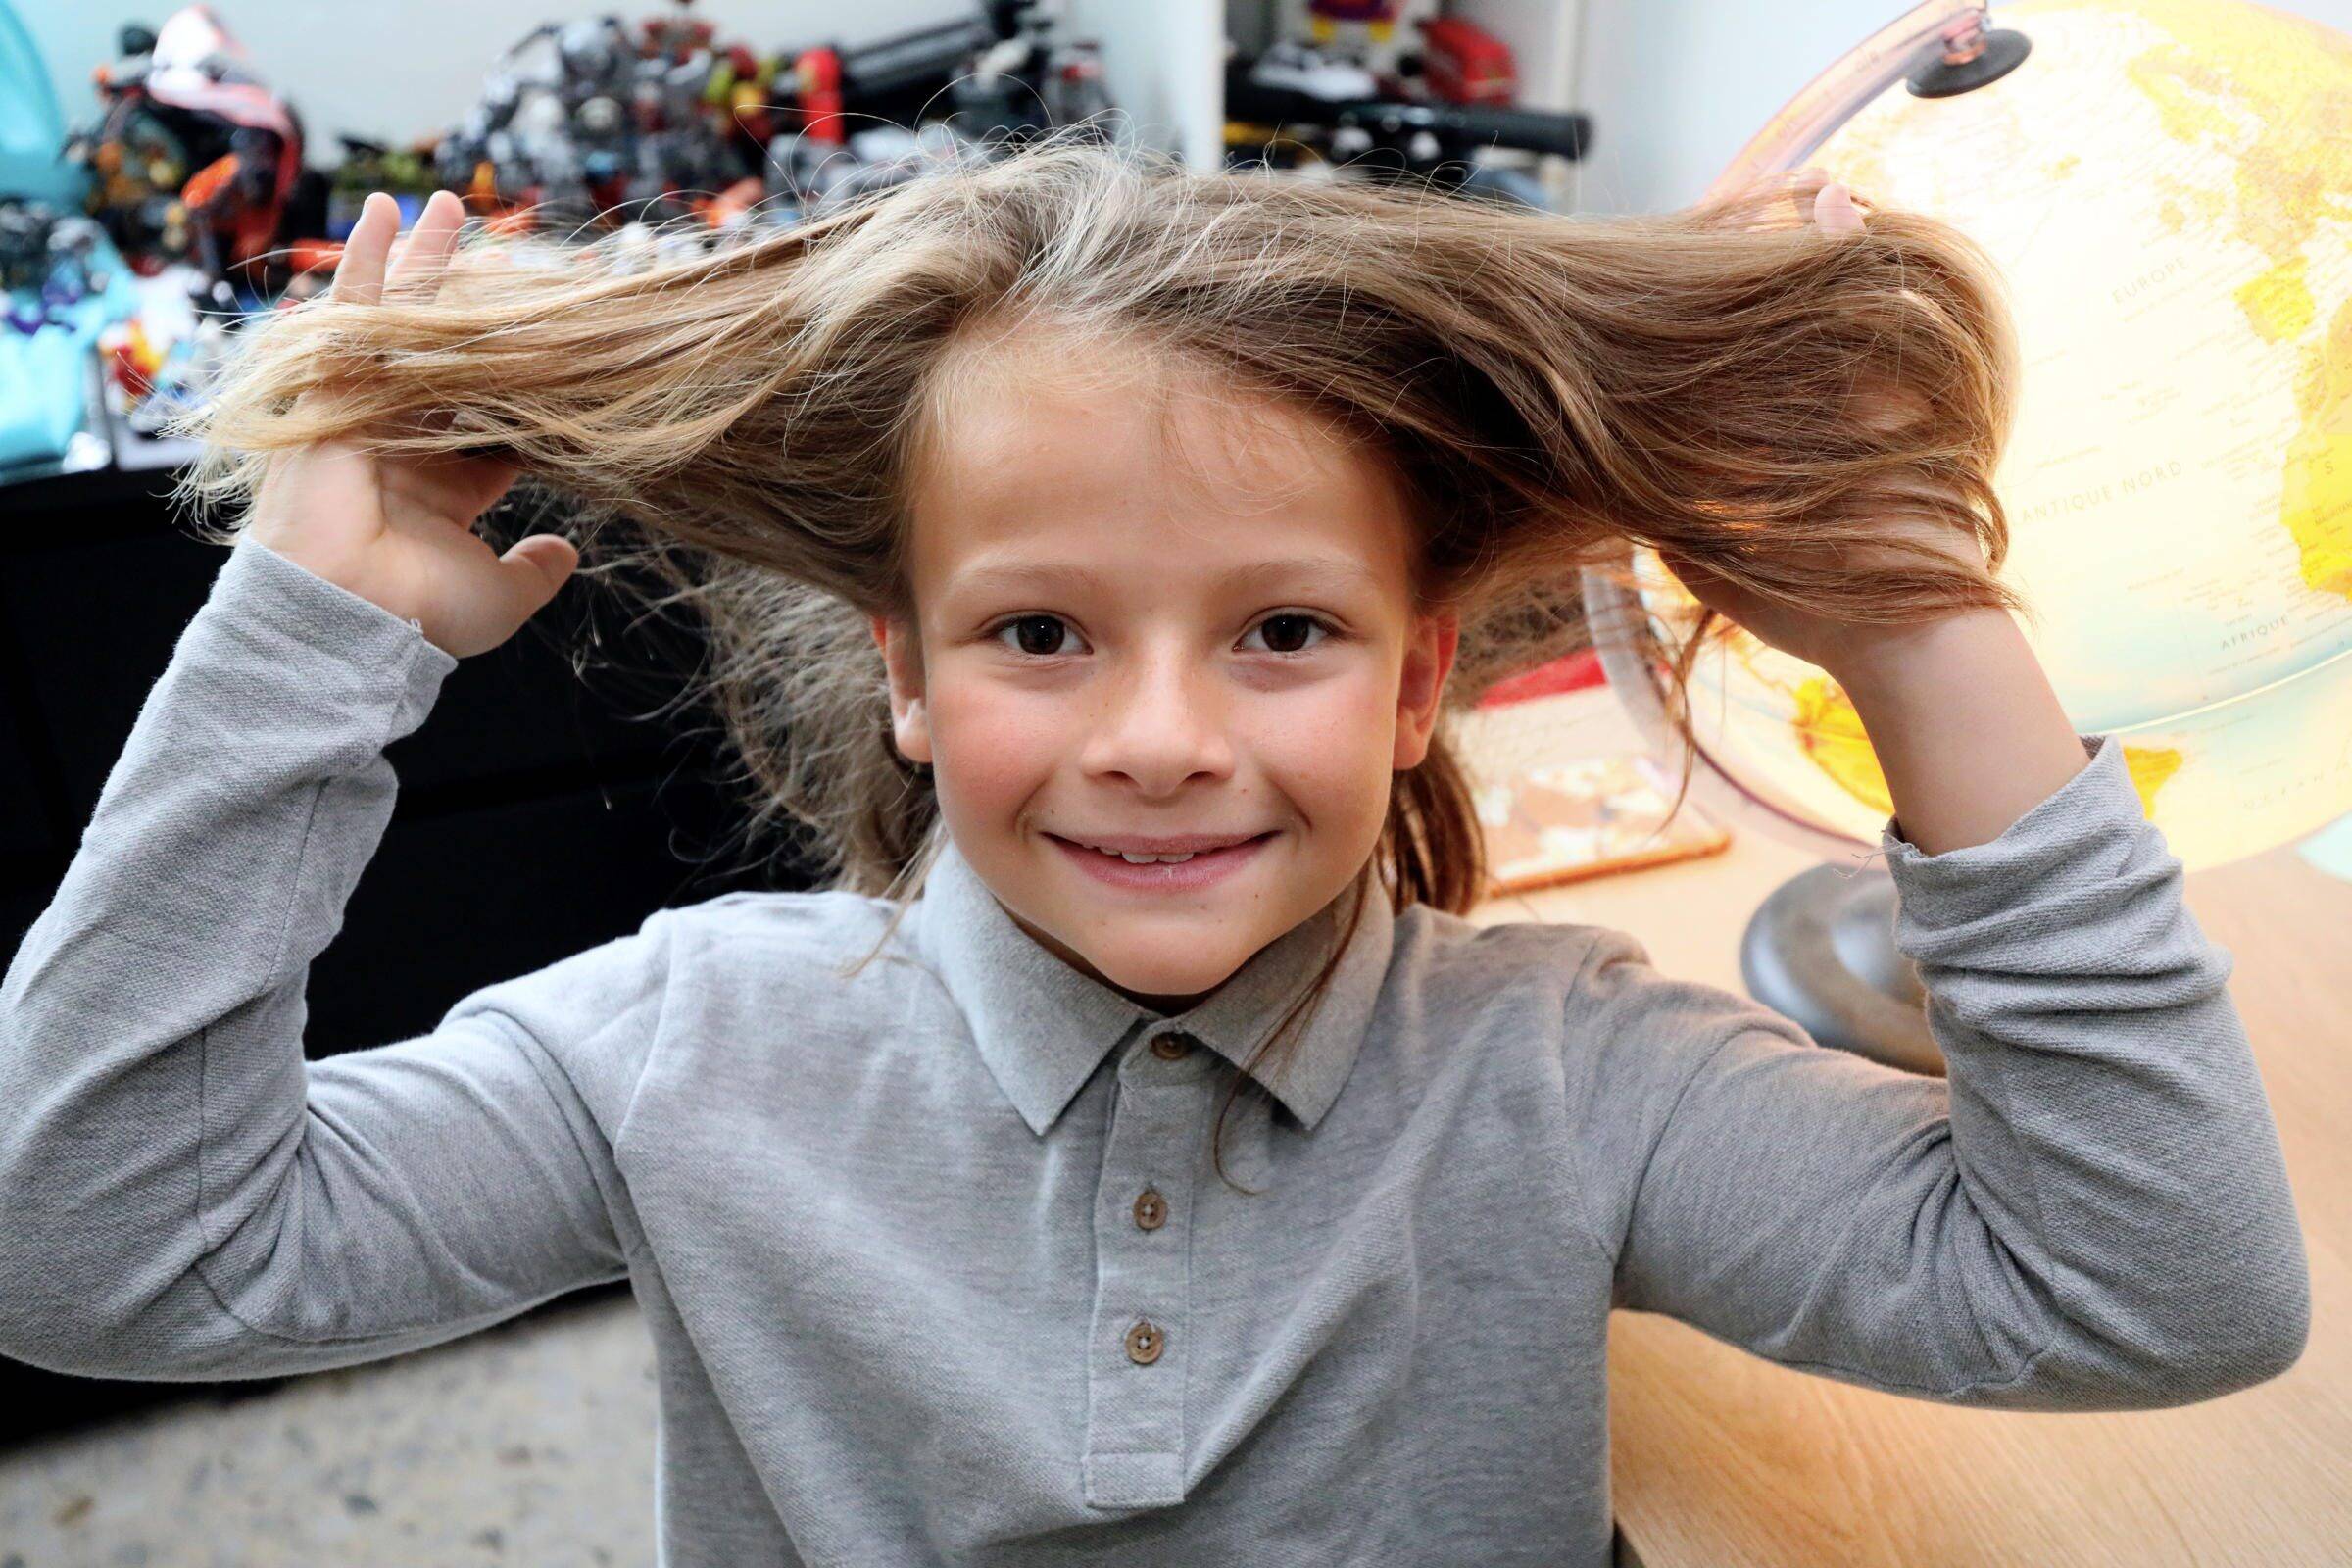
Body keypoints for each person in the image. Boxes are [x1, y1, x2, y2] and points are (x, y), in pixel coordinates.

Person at [0, 135, 2310, 1567]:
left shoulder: (1566, 1075)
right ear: (903, 665)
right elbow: (99, 1253)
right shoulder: (683, 1046)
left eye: (1286, 629)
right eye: (1040, 631)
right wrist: (301, 640)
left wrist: (1921, 631)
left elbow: (2154, 1289)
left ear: (1422, 681)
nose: (1165, 739)